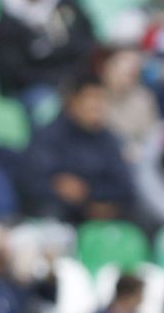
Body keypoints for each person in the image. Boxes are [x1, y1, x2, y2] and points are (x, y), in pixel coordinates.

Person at [0, 0, 97, 115]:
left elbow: (86, 39)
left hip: (74, 77)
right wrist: (54, 79)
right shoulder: (8, 18)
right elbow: (12, 70)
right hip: (35, 86)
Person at [22, 74, 135, 223]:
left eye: (102, 98)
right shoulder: (49, 136)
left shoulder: (108, 139)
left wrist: (92, 196)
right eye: (91, 98)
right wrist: (57, 189)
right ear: (72, 101)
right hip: (64, 212)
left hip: (104, 209)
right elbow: (33, 182)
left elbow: (124, 184)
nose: (98, 105)